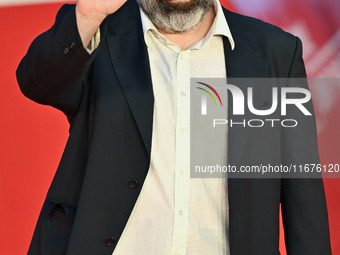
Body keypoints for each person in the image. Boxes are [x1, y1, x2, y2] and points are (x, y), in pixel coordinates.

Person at [16, 0, 332, 254]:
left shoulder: (274, 51)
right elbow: (36, 83)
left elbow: (302, 195)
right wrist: (88, 16)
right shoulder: (98, 30)